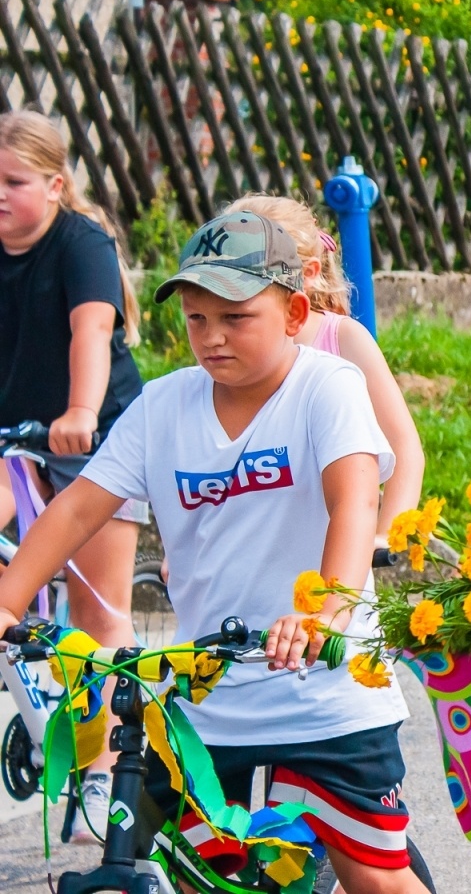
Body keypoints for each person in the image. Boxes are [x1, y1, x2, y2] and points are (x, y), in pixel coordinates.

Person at [0, 211, 423, 891]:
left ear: (293, 313)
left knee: (376, 879)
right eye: (197, 320)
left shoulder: (326, 386)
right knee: (199, 873)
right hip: (211, 700)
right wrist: (8, 599)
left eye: (235, 317)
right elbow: (77, 508)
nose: (213, 337)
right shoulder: (163, 406)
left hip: (328, 694)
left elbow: (355, 502)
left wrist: (323, 613)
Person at [0, 109, 147, 840]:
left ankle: (106, 769)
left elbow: (91, 328)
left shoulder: (82, 243)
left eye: (13, 181)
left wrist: (80, 409)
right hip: (11, 438)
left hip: (95, 436)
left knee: (96, 614)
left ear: (56, 186)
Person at [225, 194, 424, 544]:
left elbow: (404, 444)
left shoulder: (343, 339)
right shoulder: (225, 348)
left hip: (333, 540)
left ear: (309, 275)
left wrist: (386, 535)